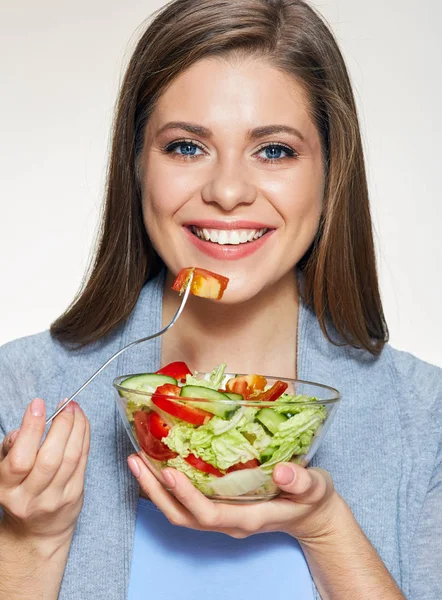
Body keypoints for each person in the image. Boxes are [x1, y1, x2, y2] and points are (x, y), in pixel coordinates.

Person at [0, 0, 440, 598]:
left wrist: (327, 529)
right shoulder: (20, 392)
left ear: (330, 172)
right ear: (136, 167)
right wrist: (32, 542)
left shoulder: (426, 421)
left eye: (275, 150)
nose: (228, 191)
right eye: (186, 146)